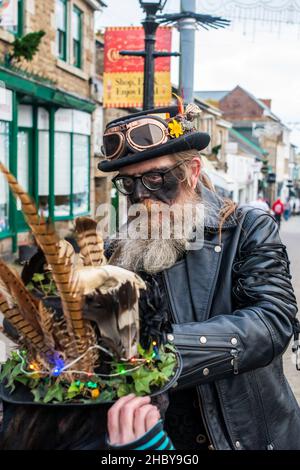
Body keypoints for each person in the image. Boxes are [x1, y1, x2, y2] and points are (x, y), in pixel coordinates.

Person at [98, 102, 300, 450]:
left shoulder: (247, 230)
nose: (142, 197)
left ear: (191, 171)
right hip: (153, 439)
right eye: (128, 184)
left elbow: (272, 322)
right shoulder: (115, 251)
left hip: (240, 438)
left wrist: (161, 350)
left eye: (156, 178)